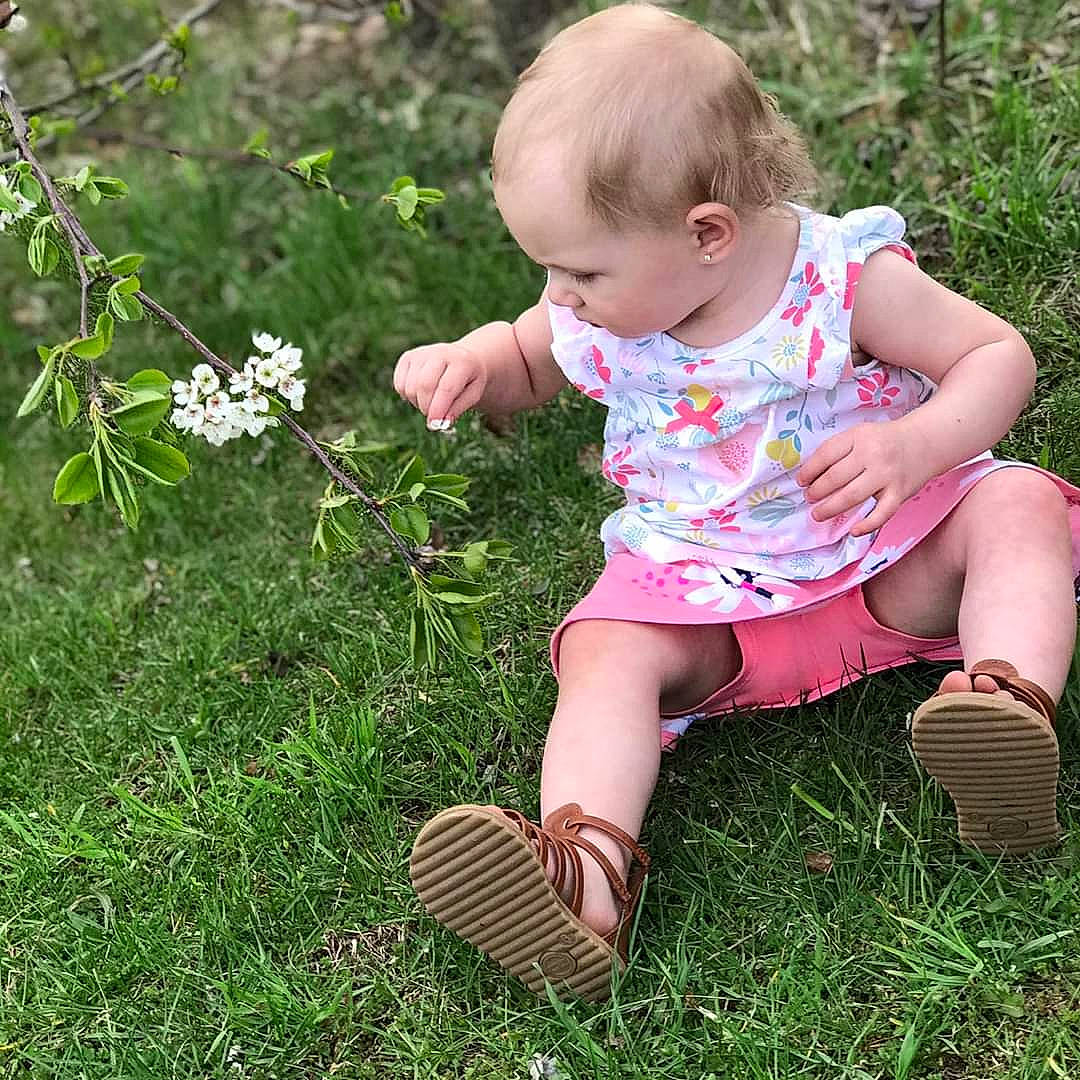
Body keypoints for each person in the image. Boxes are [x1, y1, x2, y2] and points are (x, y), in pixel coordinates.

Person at [394, 2, 1080, 1003]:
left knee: (1015, 506)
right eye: (549, 269)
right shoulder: (600, 308)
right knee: (604, 650)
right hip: (705, 592)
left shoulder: (841, 279)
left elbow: (994, 355)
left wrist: (914, 442)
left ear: (706, 233)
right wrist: (469, 365)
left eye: (579, 269)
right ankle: (583, 878)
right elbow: (526, 358)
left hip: (894, 552)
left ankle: (1004, 707)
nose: (561, 294)